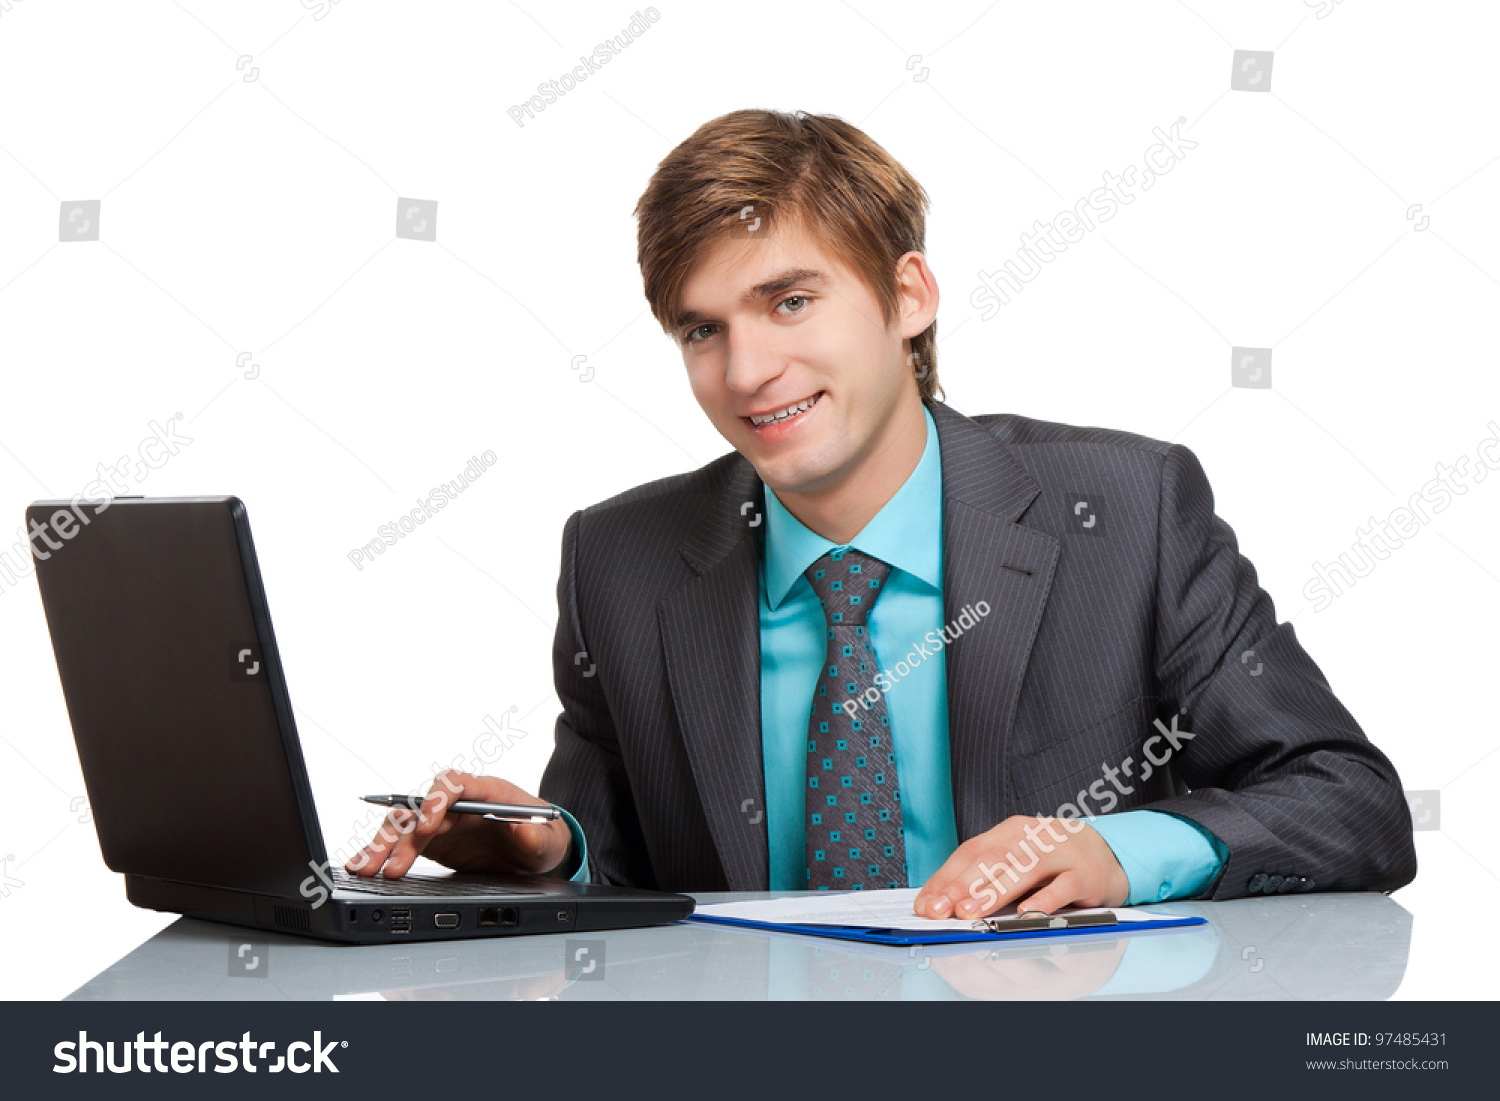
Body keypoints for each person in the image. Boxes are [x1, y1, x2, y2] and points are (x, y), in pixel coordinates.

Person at [347, 109, 1416, 918]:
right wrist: (553, 853)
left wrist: (1122, 853)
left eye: (790, 301)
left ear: (908, 297)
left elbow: (1351, 804)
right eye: (702, 330)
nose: (750, 370)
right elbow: (640, 885)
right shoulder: (617, 564)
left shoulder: (1127, 515)